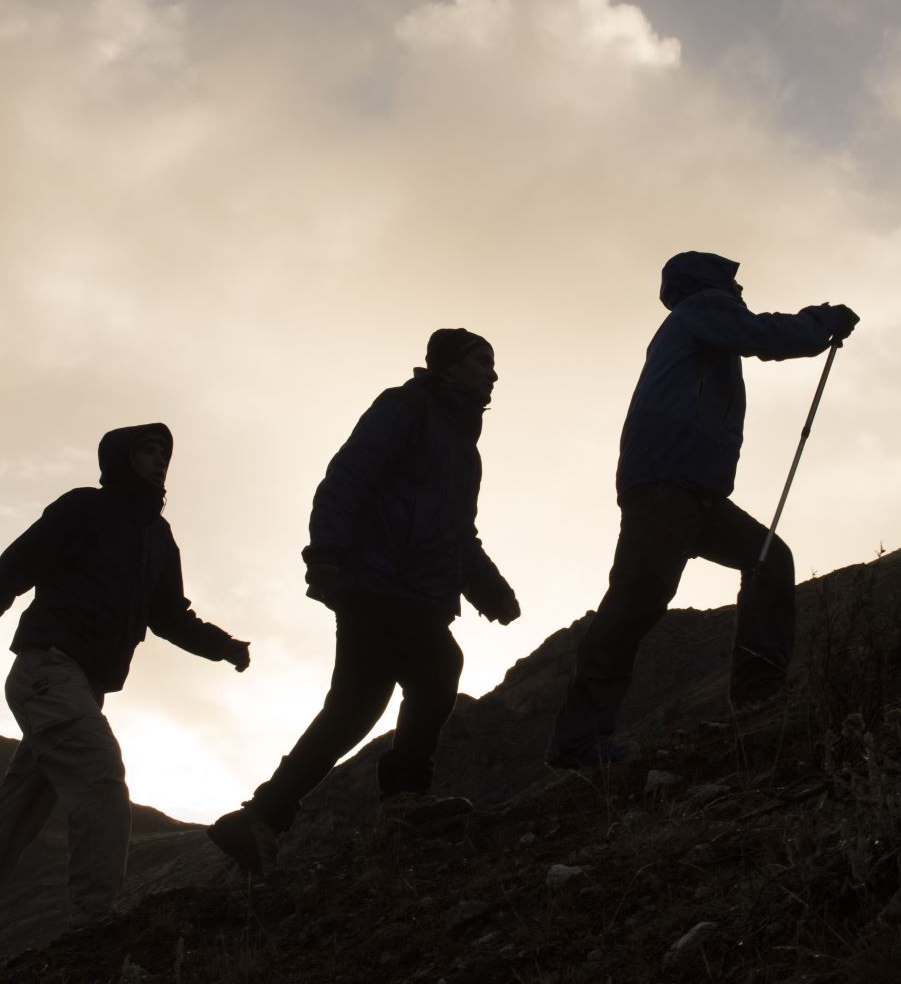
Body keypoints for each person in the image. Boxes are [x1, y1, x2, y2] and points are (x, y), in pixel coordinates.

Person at [0, 423, 250, 984]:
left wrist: (222, 646)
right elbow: (12, 569)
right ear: (119, 459)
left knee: (7, 827)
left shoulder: (158, 536)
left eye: (165, 453)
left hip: (79, 688)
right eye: (147, 451)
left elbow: (169, 615)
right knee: (103, 781)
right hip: (47, 671)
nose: (159, 461)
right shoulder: (84, 509)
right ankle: (94, 928)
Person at [207, 330, 519, 876]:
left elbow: (457, 530)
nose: (493, 374)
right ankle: (401, 805)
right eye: (482, 362)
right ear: (449, 366)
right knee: (439, 666)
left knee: (353, 707)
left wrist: (487, 586)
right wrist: (325, 553)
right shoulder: (404, 409)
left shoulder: (462, 445)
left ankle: (262, 816)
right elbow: (348, 477)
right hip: (379, 581)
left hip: (411, 587)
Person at [546, 251, 858, 768]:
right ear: (711, 282)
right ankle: (579, 741)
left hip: (689, 489)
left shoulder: (691, 325)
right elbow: (760, 336)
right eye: (731, 281)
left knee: (760, 560)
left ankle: (758, 698)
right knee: (638, 602)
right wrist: (820, 322)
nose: (738, 290)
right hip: (671, 486)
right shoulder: (703, 309)